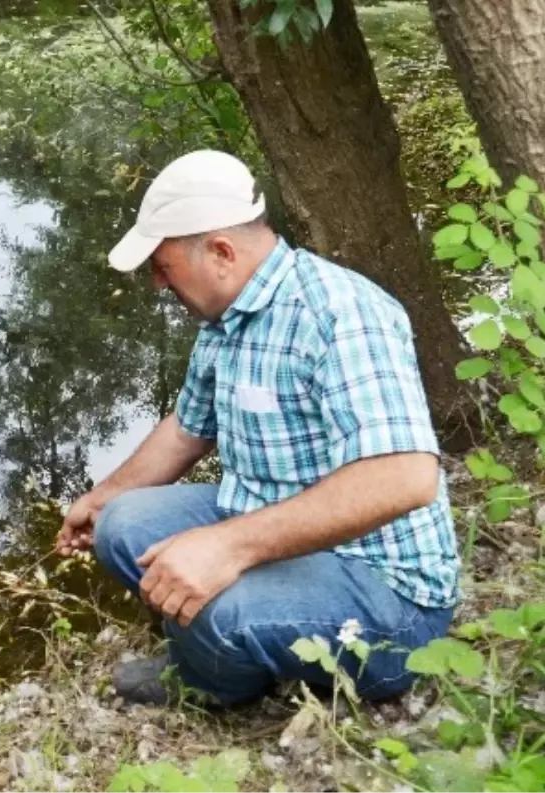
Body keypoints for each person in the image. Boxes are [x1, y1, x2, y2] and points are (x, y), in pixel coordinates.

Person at [56, 149, 459, 707]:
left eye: (163, 265)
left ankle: (211, 681)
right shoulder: (226, 319)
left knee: (218, 609)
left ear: (221, 251)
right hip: (277, 529)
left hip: (384, 593)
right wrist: (100, 498)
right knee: (122, 523)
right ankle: (233, 647)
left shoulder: (338, 312)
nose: (155, 283)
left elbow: (406, 478)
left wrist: (226, 548)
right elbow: (186, 430)